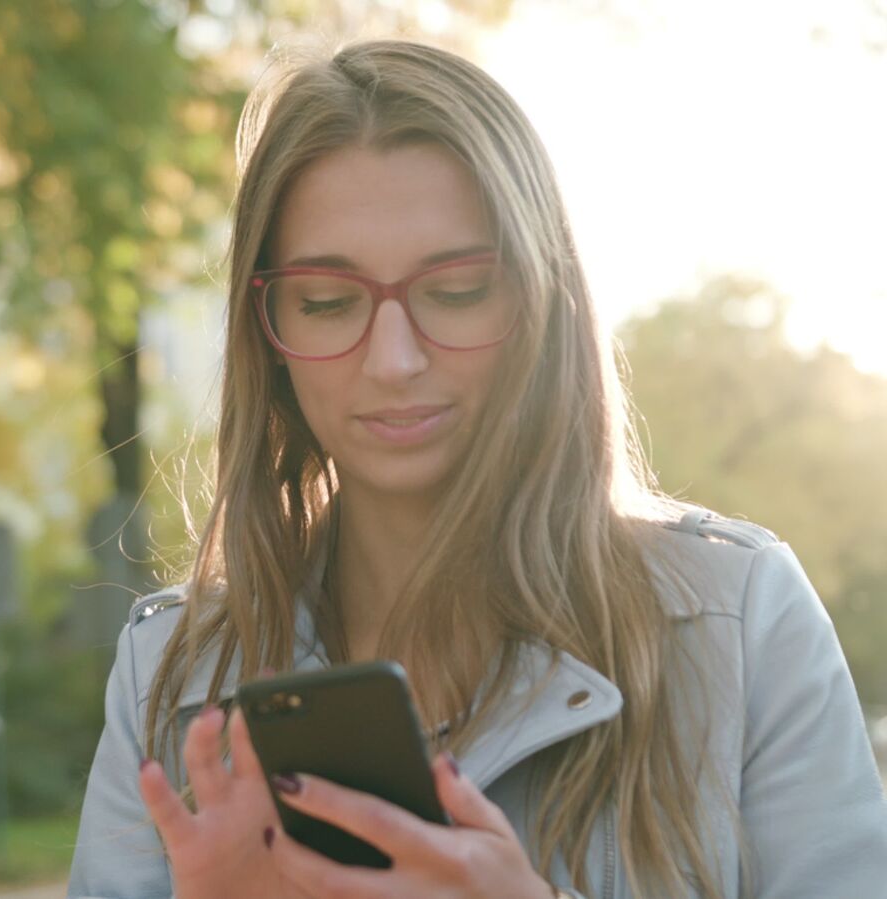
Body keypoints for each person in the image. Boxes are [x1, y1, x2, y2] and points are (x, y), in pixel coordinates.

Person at [67, 38, 887, 899]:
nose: (393, 358)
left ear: (543, 299)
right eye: (327, 301)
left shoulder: (737, 623)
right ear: (267, 335)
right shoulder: (172, 672)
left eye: (455, 289)